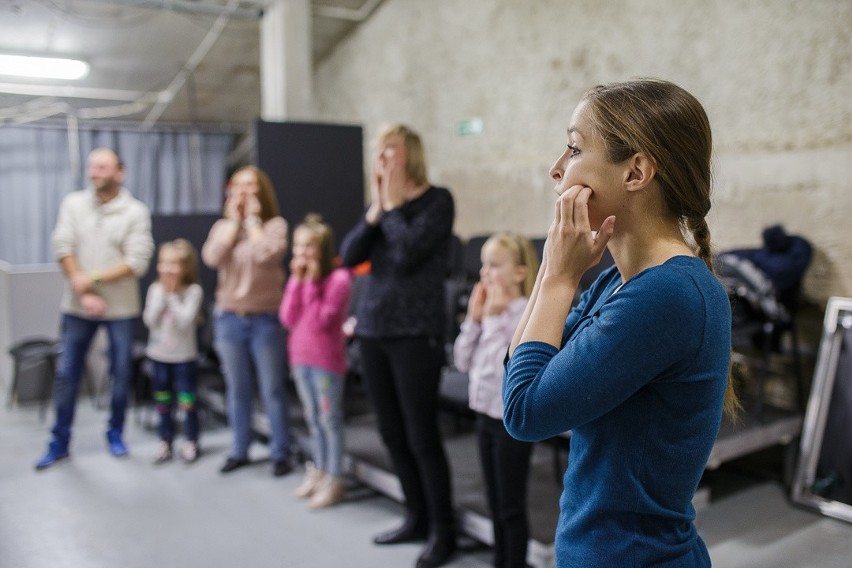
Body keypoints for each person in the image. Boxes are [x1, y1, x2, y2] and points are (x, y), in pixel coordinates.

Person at [503, 79, 739, 567]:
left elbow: (523, 412)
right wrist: (552, 267)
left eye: (572, 148)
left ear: (636, 172)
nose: (555, 169)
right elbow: (520, 368)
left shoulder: (668, 295)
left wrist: (557, 279)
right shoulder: (617, 282)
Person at [340, 124, 456, 568]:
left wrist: (389, 206)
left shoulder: (437, 201)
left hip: (414, 334)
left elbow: (407, 252)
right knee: (390, 432)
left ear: (411, 155)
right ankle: (416, 516)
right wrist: (376, 210)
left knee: (421, 435)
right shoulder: (382, 209)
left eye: (391, 148)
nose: (382, 156)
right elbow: (350, 257)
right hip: (373, 331)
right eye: (380, 149)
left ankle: (443, 531)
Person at [36, 147, 154, 470]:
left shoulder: (135, 212)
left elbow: (137, 261)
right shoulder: (73, 204)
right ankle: (59, 442)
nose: (94, 172)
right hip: (76, 305)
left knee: (121, 373)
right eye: (91, 166)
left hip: (121, 310)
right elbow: (63, 245)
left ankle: (115, 434)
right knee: (67, 374)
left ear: (120, 172)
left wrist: (94, 278)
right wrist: (80, 285)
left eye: (102, 167)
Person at [453, 232, 538, 568]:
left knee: (511, 504)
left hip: (509, 422)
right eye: (483, 265)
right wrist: (475, 319)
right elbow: (462, 361)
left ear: (519, 272)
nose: (485, 273)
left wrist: (494, 319)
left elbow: (514, 366)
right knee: (493, 499)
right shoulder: (486, 312)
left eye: (494, 266)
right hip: (484, 417)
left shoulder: (525, 315)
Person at [201, 165, 292, 478]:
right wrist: (233, 223)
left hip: (266, 319)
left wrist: (253, 221)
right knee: (237, 389)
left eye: (250, 185)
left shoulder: (275, 225)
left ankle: (281, 451)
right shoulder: (223, 228)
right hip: (229, 318)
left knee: (272, 389)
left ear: (262, 191)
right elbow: (212, 258)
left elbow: (267, 254)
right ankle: (240, 448)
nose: (243, 191)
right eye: (237, 185)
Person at [279, 214, 352, 508]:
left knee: (329, 419)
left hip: (326, 362)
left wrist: (309, 283)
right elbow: (287, 317)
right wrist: (297, 282)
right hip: (300, 358)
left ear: (322, 249)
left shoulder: (339, 280)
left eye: (308, 247)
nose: (301, 254)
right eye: (297, 247)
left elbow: (324, 320)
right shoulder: (298, 280)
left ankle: (336, 477)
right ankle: (320, 469)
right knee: (313, 420)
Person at [143, 239, 204, 465]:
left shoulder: (192, 291)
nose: (167, 269)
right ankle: (165, 440)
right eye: (163, 263)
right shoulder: (154, 289)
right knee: (163, 400)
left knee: (187, 400)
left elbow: (184, 322)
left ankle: (191, 440)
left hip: (183, 358)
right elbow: (150, 320)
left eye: (173, 264)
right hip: (159, 357)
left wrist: (172, 297)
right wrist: (162, 298)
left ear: (185, 267)